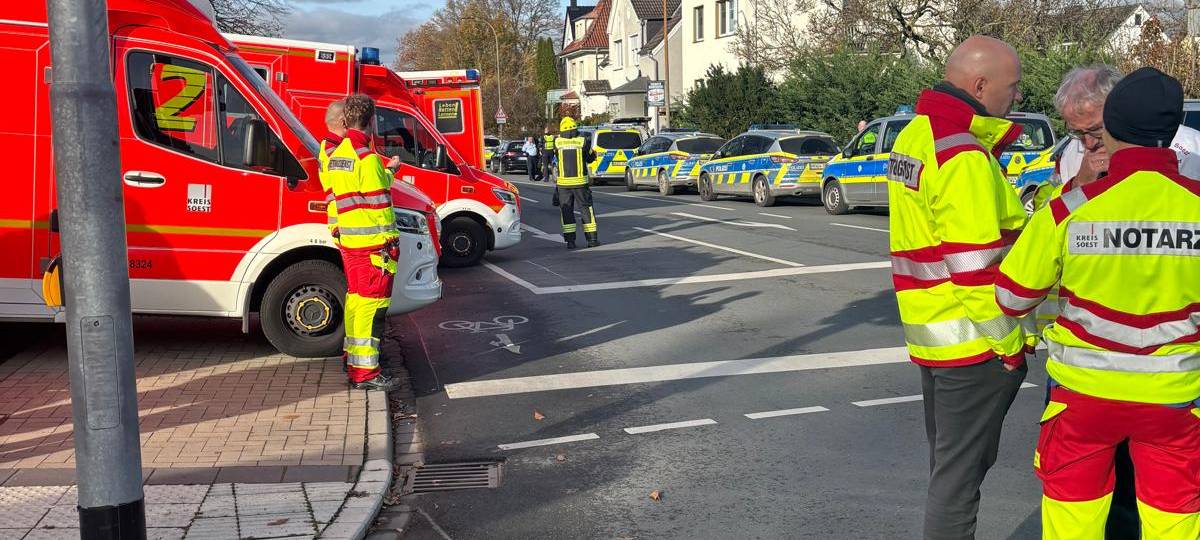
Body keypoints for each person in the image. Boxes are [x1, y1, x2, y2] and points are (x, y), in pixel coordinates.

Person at [996, 67, 1200, 540]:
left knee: (1073, 520)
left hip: (1082, 397)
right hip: (1173, 395)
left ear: (1112, 128)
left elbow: (1011, 295)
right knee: (1173, 519)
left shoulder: (1070, 208)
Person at [884, 36, 1029, 540]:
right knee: (959, 484)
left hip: (933, 336)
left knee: (948, 472)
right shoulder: (962, 154)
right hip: (973, 344)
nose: (1016, 98)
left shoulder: (915, 137)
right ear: (980, 84)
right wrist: (1011, 346)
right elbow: (975, 269)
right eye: (1011, 88)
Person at [319, 94, 401, 391]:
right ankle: (366, 373)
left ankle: (354, 358)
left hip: (352, 241)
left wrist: (386, 172)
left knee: (356, 299)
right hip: (374, 245)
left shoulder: (337, 154)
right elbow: (380, 204)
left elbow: (354, 193)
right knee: (372, 304)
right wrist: (391, 242)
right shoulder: (366, 158)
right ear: (371, 121)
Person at [554, 116, 598, 249]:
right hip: (580, 184)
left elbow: (556, 157)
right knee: (586, 210)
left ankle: (570, 242)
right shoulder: (583, 141)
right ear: (575, 128)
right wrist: (593, 154)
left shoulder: (557, 142)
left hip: (563, 185)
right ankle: (592, 240)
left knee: (566, 212)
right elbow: (590, 158)